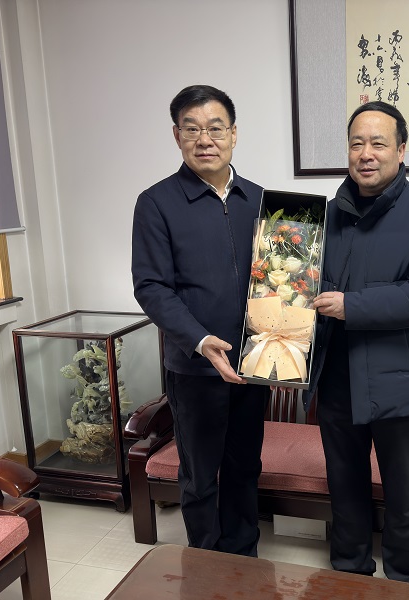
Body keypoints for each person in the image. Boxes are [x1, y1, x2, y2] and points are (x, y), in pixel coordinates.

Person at [309, 101, 409, 584]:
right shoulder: (325, 215)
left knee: (403, 495)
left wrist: (351, 305)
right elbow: (302, 284)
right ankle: (349, 576)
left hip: (399, 381)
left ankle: (407, 583)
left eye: (378, 143)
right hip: (336, 378)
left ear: (401, 150)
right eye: (357, 143)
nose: (366, 154)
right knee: (344, 489)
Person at [131, 85, 268, 556]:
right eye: (192, 130)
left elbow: (284, 279)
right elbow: (151, 286)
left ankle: (244, 557)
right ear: (177, 136)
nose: (205, 139)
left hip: (253, 364)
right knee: (199, 474)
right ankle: (207, 562)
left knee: (245, 467)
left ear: (234, 134)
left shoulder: (261, 201)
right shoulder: (157, 203)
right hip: (194, 367)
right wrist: (200, 339)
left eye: (215, 128)